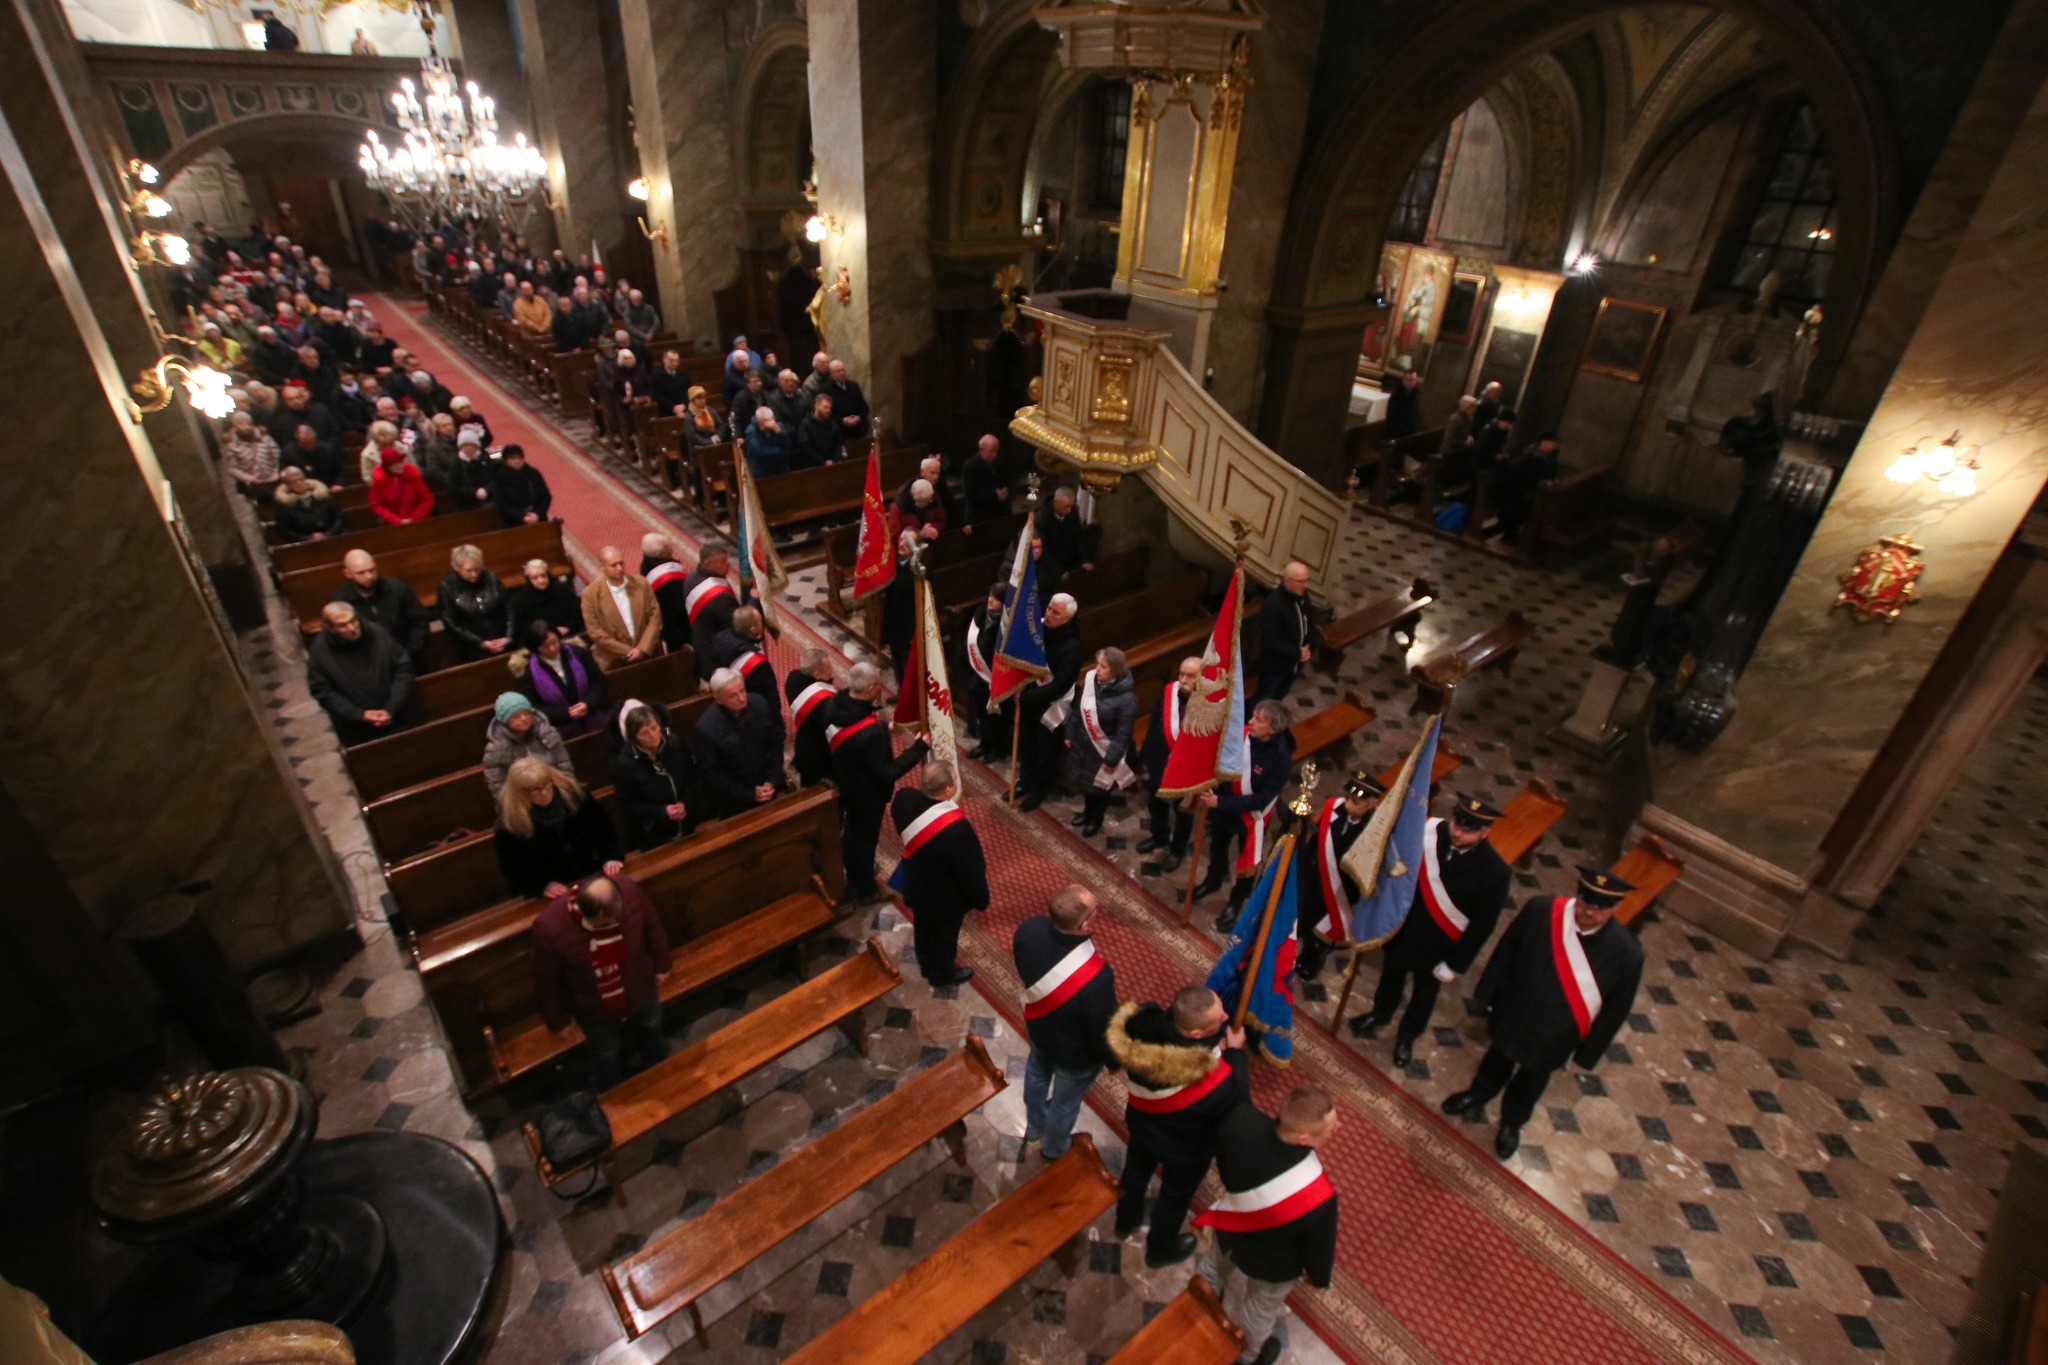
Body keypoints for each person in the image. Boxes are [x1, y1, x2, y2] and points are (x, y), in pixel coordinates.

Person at [1443, 868, 1645, 1160]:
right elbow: (1506, 950)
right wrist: (1487, 995)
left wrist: (1587, 1053)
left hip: (1556, 1033)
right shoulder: (1541, 911)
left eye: (1601, 908)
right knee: (1496, 1059)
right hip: (1515, 1011)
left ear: (1616, 908)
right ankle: (1477, 1094)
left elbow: (1616, 1009)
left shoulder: (1627, 954)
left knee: (1532, 1080)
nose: (1590, 911)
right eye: (1586, 901)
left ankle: (1512, 1122)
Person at [1350, 794, 1511, 1063]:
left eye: (1468, 830)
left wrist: (1455, 964)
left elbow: (1482, 925)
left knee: (1424, 994)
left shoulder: (1495, 872)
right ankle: (1380, 1014)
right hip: (1405, 927)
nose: (1457, 833)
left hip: (1439, 943)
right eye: (1457, 824)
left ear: (1485, 833)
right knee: (1391, 974)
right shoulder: (1429, 832)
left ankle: (1407, 1037)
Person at [1196, 1087, 1341, 1365]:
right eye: (1332, 1128)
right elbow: (1318, 1248)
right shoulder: (1319, 1197)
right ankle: (1247, 1357)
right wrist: (1318, 1277)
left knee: (1212, 1269)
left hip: (1231, 1226)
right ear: (1303, 1138)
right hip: (1272, 1265)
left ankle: (1199, 1304)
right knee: (1257, 1314)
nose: (1338, 1128)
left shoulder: (1240, 1119)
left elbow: (1224, 1163)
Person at [1107, 986, 1249, 1268]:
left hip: (1142, 1124)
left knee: (1135, 1172)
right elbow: (1241, 1108)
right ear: (1195, 1034)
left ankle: (1125, 1220)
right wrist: (1235, 1054)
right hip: (1185, 1150)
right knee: (1174, 1197)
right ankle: (1160, 1249)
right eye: (1219, 1018)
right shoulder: (1219, 1083)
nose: (1226, 1018)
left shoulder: (1143, 1020)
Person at [530, 875, 669, 1091]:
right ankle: (614, 1092)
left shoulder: (629, 891)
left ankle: (662, 1071)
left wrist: (662, 964)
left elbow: (652, 927)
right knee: (605, 1052)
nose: (612, 925)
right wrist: (558, 1021)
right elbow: (545, 982)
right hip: (594, 1007)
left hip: (640, 985)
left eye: (616, 919)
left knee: (651, 1026)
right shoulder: (549, 927)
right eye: (604, 924)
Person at [1013, 885, 1119, 1159]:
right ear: (1084, 926)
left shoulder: (1029, 929)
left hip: (1039, 1028)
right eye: (1095, 909)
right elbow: (1102, 1030)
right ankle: (1053, 1149)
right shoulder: (1097, 978)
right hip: (1074, 1055)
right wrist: (1113, 1060)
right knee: (1064, 1103)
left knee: (1036, 1074)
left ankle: (1034, 1126)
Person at [824, 661, 930, 901]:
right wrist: (919, 747)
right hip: (867, 795)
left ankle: (853, 871)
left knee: (851, 831)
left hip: (844, 780)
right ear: (871, 688)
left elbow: (854, 725)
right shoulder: (872, 735)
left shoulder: (833, 705)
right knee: (865, 841)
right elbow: (888, 771)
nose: (881, 687)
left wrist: (883, 725)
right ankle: (865, 889)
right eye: (879, 684)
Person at [1196, 700, 1296, 925]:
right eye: (1253, 716)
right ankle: (1213, 880)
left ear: (1272, 729)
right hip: (1223, 807)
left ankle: (1236, 901)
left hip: (1249, 818)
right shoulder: (1240, 736)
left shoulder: (1281, 760)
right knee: (1217, 847)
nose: (1250, 721)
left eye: (1258, 720)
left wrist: (1220, 802)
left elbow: (1260, 800)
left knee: (1247, 863)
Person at [889, 763, 987, 987]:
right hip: (944, 897)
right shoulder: (958, 831)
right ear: (948, 789)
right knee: (944, 937)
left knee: (923, 927)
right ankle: (942, 975)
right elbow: (970, 871)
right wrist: (981, 899)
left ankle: (925, 962)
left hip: (915, 881)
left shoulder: (903, 799)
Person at [492, 757, 625, 901]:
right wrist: (542, 886)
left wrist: (611, 857)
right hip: (556, 891)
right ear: (520, 794)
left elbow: (605, 829)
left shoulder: (575, 795)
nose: (544, 793)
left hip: (595, 873)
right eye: (534, 791)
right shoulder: (509, 824)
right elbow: (514, 869)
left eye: (546, 785)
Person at [1296, 772, 1385, 980]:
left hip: (1340, 890)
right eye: (1348, 798)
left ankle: (1313, 959)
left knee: (1323, 930)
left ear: (1371, 804)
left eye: (1356, 802)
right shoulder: (1334, 809)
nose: (1348, 805)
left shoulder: (1373, 831)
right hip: (1316, 878)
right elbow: (1316, 839)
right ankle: (1302, 950)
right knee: (1306, 920)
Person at [306, 603, 413, 746]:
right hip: (357, 730)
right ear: (330, 628)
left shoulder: (377, 634)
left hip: (398, 717)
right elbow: (323, 691)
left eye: (352, 621)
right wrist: (359, 714)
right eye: (342, 625)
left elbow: (403, 668)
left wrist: (391, 707)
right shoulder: (320, 652)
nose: (351, 628)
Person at [1014, 593, 1084, 811]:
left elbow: (1060, 685)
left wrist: (1028, 697)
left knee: (1045, 754)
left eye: (1056, 612)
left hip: (1050, 707)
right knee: (1027, 746)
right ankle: (1024, 782)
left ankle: (1038, 791)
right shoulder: (1039, 629)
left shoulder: (1072, 647)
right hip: (1030, 700)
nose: (1049, 614)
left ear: (1067, 618)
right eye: (1049, 609)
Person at [693, 667, 786, 817]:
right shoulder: (706, 728)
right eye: (733, 695)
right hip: (736, 801)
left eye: (742, 691)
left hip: (770, 785)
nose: (742, 698)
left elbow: (776, 740)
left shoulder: (759, 703)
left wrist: (773, 779)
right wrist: (749, 793)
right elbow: (711, 773)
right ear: (718, 699)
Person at [1064, 647, 1137, 838]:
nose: (1097, 669)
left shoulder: (1127, 700)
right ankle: (1087, 813)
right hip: (1083, 743)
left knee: (1101, 789)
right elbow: (1077, 711)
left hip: (1104, 750)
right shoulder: (1091, 683)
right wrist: (1069, 733)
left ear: (1115, 671)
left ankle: (1095, 820)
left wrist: (1111, 759)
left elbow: (1123, 734)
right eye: (1098, 664)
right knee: (1088, 784)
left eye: (1103, 666)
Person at [1138, 656, 1202, 873]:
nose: (1183, 680)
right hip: (1159, 763)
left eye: (1190, 676)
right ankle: (1159, 836)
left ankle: (1177, 850)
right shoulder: (1169, 693)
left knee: (1183, 813)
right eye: (1181, 674)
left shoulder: (1211, 706)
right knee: (1156, 804)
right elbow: (1154, 722)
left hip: (1186, 772)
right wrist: (1145, 756)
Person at [609, 700, 699, 850]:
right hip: (654, 833)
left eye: (654, 728)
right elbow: (627, 804)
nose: (652, 735)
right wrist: (662, 811)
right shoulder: (624, 763)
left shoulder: (675, 744)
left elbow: (691, 778)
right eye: (644, 733)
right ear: (634, 737)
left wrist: (685, 802)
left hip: (686, 821)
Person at [330, 550, 429, 664]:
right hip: (368, 664)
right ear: (348, 574)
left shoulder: (397, 588)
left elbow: (419, 622)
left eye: (372, 570)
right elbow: (340, 639)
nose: (369, 576)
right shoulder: (340, 601)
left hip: (408, 657)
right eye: (361, 573)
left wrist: (409, 654)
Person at [516, 621, 611, 738]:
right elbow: (533, 706)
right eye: (545, 646)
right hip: (558, 728)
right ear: (535, 648)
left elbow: (598, 680)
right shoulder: (527, 673)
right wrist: (566, 713)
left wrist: (587, 703)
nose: (552, 648)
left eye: (554, 642)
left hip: (593, 714)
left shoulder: (578, 653)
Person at [580, 545, 663, 671]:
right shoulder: (590, 594)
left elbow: (655, 617)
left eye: (621, 563)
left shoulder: (641, 583)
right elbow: (594, 631)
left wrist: (642, 648)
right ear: (602, 566)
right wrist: (628, 651)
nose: (619, 568)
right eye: (613, 565)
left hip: (648, 653)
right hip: (613, 659)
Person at [482, 692, 573, 802]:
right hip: (521, 800)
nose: (523, 719)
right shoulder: (497, 747)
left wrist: (564, 789)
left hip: (554, 792)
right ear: (505, 721)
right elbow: (496, 782)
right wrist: (512, 803)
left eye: (526, 713)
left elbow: (563, 763)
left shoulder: (547, 733)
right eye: (515, 717)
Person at [710, 605, 783, 740]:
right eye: (761, 622)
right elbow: (769, 697)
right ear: (753, 629)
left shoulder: (720, 638)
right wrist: (778, 726)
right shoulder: (757, 665)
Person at [1252, 560, 1313, 704]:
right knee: (1263, 700)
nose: (1305, 585)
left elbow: (1309, 623)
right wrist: (1297, 653)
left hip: (1294, 664)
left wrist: (1310, 647)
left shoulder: (1304, 597)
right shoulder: (1273, 604)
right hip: (1275, 667)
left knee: (1279, 697)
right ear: (1287, 581)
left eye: (1307, 580)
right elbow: (1271, 640)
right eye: (1300, 581)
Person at [439, 543, 511, 662]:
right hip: (472, 650)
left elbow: (509, 607)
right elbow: (451, 623)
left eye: (477, 569)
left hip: (503, 640)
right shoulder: (448, 587)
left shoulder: (491, 578)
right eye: (468, 570)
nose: (474, 574)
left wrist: (508, 637)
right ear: (456, 568)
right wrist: (480, 643)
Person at [958, 582, 1006, 755]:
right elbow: (969, 642)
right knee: (980, 714)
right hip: (976, 675)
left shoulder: (1007, 624)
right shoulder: (980, 614)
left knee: (994, 718)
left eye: (996, 598)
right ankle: (984, 744)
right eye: (990, 595)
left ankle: (995, 749)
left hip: (993, 679)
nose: (991, 600)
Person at [1492, 432, 1562, 543]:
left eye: (1554, 444)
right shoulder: (1532, 456)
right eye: (1552, 443)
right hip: (1522, 490)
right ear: (1543, 442)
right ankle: (1509, 535)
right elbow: (1525, 476)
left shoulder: (1549, 457)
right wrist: (1542, 483)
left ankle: (1511, 535)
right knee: (1517, 511)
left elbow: (1551, 472)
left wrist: (1552, 480)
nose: (1553, 446)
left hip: (1532, 492)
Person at [786, 647, 838, 788]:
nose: (832, 669)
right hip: (819, 752)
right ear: (817, 674)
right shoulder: (826, 703)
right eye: (828, 667)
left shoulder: (792, 678)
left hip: (802, 741)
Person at [680, 541, 738, 665]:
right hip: (718, 653)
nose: (728, 564)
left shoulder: (690, 577)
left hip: (701, 640)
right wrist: (754, 601)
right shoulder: (720, 598)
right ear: (708, 564)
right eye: (723, 561)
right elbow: (738, 625)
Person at [508, 557, 584, 642]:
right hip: (541, 642)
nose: (541, 580)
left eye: (543, 575)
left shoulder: (563, 591)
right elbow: (523, 628)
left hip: (571, 635)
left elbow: (578, 614)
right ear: (529, 580)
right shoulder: (520, 602)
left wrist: (568, 628)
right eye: (535, 578)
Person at [1034, 486, 1091, 588]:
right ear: (1056, 503)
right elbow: (1044, 550)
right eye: (1066, 506)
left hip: (1069, 561)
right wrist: (1058, 571)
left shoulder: (1072, 513)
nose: (1069, 510)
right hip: (1049, 567)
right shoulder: (1041, 519)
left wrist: (1085, 560)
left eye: (1071, 506)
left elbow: (1079, 538)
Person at [271, 466, 345, 542]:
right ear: (287, 486)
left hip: (332, 537)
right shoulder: (285, 505)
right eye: (293, 481)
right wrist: (308, 539)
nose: (299, 483)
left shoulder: (322, 496)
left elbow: (339, 517)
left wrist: (327, 534)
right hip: (304, 543)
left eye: (301, 479)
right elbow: (285, 531)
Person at [367, 443, 433, 525]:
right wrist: (396, 520)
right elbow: (375, 504)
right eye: (395, 464)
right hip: (393, 524)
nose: (400, 465)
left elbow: (428, 499)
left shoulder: (413, 476)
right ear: (387, 467)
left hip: (418, 521)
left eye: (400, 462)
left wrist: (413, 518)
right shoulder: (379, 482)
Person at [492, 444, 552, 525]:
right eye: (513, 458)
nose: (517, 461)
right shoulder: (500, 477)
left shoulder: (532, 473)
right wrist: (522, 517)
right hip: (514, 523)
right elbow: (502, 504)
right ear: (506, 460)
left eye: (519, 458)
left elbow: (546, 496)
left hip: (538, 518)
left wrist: (537, 514)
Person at [221, 411, 280, 491]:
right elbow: (232, 467)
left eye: (248, 423)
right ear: (235, 426)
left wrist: (275, 471)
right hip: (252, 485)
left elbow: (276, 455)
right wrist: (245, 477)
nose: (246, 427)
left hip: (272, 479)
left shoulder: (265, 438)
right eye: (241, 424)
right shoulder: (231, 446)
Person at [889, 477, 946, 543]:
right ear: (913, 497)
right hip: (910, 547)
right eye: (921, 502)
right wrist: (919, 534)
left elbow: (942, 520)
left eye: (927, 501)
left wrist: (931, 529)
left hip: (932, 542)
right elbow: (895, 537)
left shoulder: (934, 498)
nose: (925, 505)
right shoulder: (897, 507)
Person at [792, 394, 842, 469]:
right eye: (825, 407)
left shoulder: (833, 425)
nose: (828, 410)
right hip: (814, 466)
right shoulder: (806, 425)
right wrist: (822, 461)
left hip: (832, 464)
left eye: (829, 408)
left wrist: (834, 460)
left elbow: (838, 444)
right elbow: (805, 446)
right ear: (816, 406)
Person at [820, 359, 869, 436]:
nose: (842, 373)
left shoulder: (853, 386)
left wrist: (859, 418)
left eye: (843, 370)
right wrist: (842, 420)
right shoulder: (825, 389)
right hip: (838, 431)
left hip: (858, 429)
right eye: (838, 371)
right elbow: (825, 413)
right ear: (831, 373)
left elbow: (864, 407)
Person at [744, 407, 792, 479]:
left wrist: (779, 432)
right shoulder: (751, 431)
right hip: (762, 472)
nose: (769, 423)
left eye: (771, 420)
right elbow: (759, 452)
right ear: (759, 420)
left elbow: (788, 444)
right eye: (765, 421)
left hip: (781, 468)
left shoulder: (778, 426)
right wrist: (781, 451)